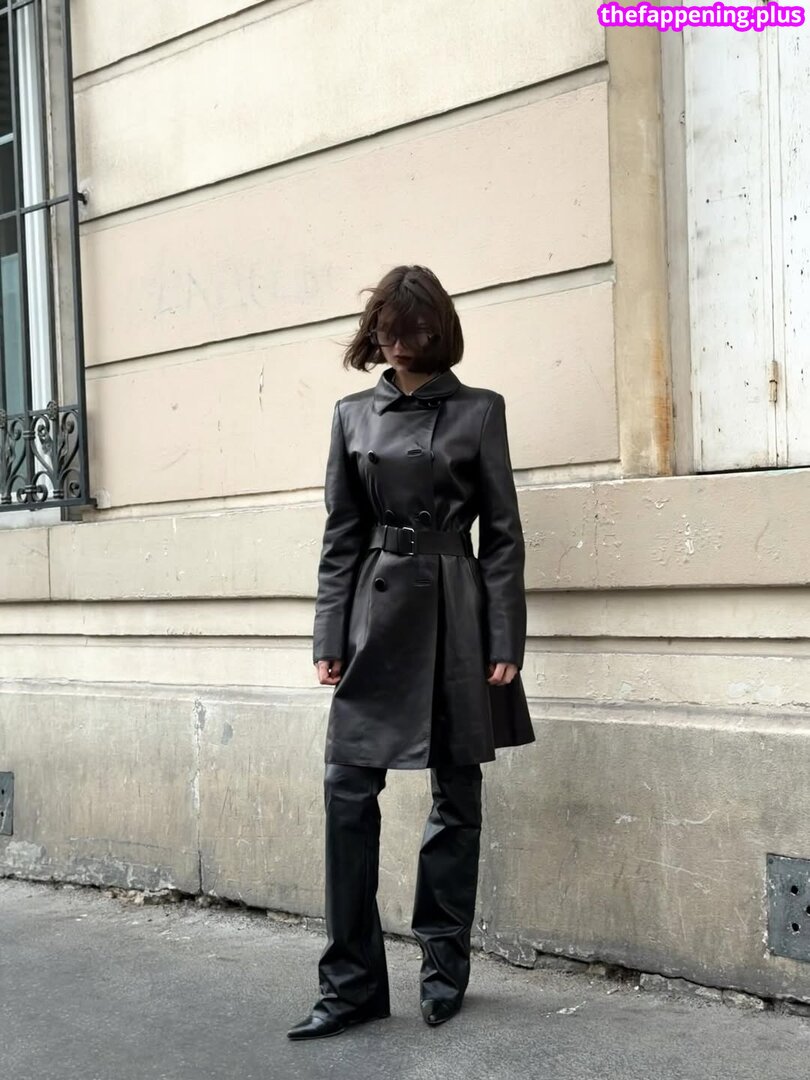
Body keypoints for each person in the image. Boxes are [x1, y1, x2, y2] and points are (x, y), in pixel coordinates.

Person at [287, 264, 535, 1041]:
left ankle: (443, 968)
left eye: (414, 331)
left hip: (458, 615)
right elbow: (341, 534)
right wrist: (329, 633)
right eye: (387, 331)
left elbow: (503, 535)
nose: (399, 344)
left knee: (455, 795)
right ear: (375, 334)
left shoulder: (480, 410)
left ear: (439, 332)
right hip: (375, 612)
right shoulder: (351, 415)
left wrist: (504, 636)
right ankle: (351, 984)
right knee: (346, 791)